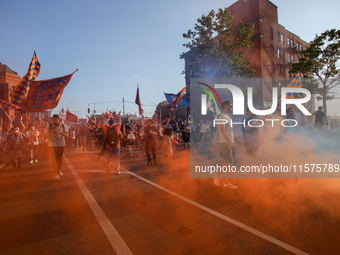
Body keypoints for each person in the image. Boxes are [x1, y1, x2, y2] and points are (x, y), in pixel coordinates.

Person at [213, 100, 242, 189]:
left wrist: (236, 140)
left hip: (229, 142)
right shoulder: (222, 117)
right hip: (224, 143)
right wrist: (230, 142)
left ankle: (226, 182)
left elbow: (230, 131)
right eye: (230, 106)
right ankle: (217, 175)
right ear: (226, 107)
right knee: (229, 163)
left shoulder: (228, 117)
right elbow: (222, 130)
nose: (232, 107)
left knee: (228, 163)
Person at [45, 114, 69, 181]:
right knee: (54, 159)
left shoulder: (63, 126)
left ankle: (58, 170)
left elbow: (67, 135)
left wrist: (60, 133)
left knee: (59, 159)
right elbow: (45, 136)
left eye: (56, 119)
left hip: (61, 144)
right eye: (53, 119)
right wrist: (51, 133)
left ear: (59, 119)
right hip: (52, 144)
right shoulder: (49, 126)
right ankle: (56, 174)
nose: (55, 121)